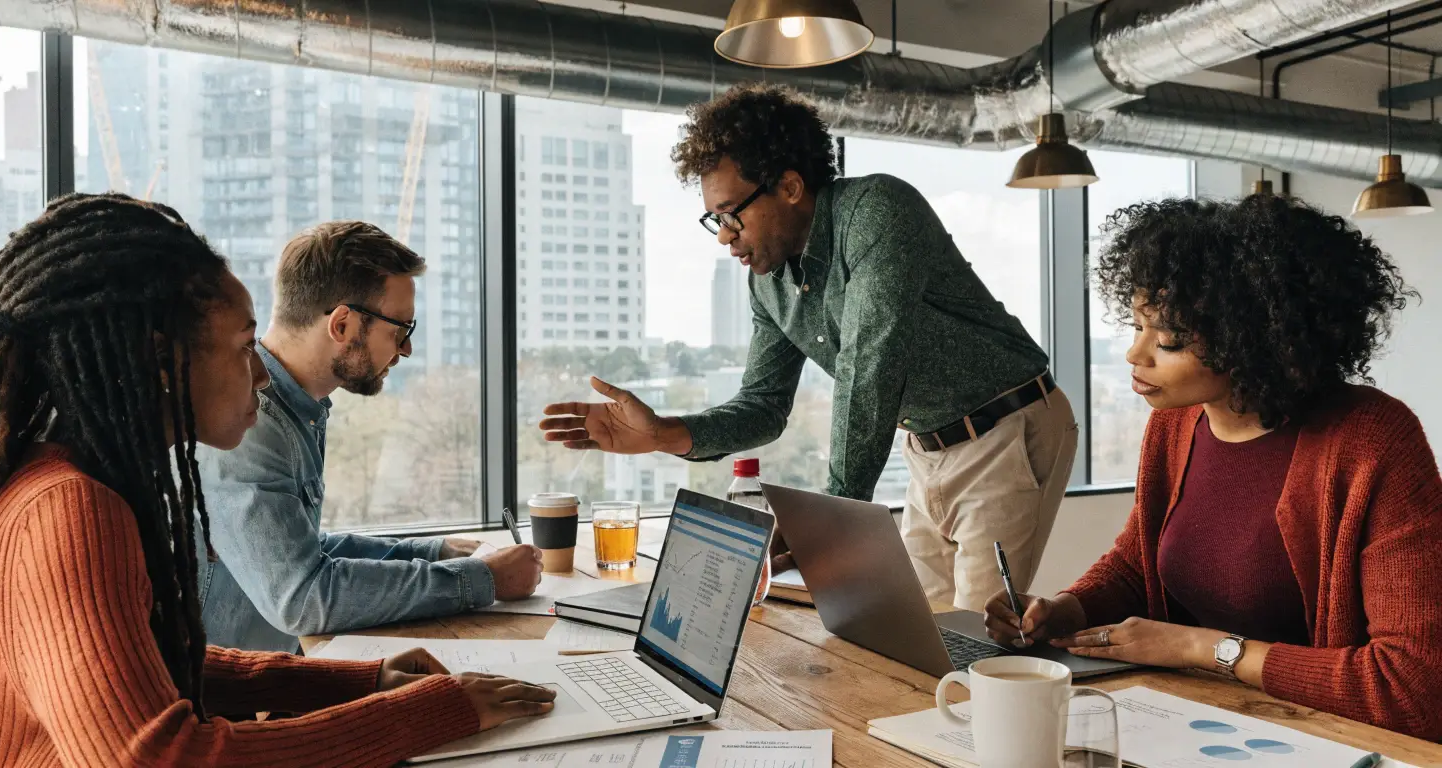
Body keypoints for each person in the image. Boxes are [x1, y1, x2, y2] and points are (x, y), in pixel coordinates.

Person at [0, 194, 554, 766]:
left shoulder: (56, 481)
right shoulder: (70, 509)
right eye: (246, 346)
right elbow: (164, 759)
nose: (264, 375)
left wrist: (359, 682)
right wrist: (426, 713)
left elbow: (151, 663)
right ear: (166, 362)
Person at [539, 84, 1077, 610]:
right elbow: (764, 407)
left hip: (1005, 428)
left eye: (732, 214)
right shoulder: (768, 283)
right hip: (926, 450)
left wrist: (830, 526)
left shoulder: (876, 212)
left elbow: (870, 367)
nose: (725, 235)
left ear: (791, 187)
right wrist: (665, 435)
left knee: (975, 638)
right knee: (917, 635)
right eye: (715, 220)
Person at [983, 194, 1442, 741]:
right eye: (1136, 327)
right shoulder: (1177, 424)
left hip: (1321, 742)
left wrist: (1200, 648)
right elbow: (1140, 563)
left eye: (1169, 339)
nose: (1137, 355)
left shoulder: (1371, 442)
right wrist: (1065, 610)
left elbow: (1414, 686)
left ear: (1255, 340)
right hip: (1196, 723)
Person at [197, 221, 543, 653]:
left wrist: (435, 551)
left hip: (272, 675)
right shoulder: (251, 423)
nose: (406, 350)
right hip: (230, 700)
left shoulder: (296, 410)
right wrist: (484, 580)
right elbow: (303, 598)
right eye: (401, 330)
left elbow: (300, 548)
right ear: (341, 324)